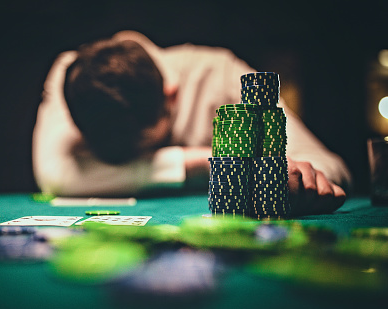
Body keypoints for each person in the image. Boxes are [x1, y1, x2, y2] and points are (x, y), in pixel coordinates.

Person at [32, 30, 351, 216]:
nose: (129, 161)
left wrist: (303, 179)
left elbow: (330, 166)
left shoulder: (222, 73)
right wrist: (210, 162)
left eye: (143, 148)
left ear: (171, 97)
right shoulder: (72, 75)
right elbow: (55, 178)